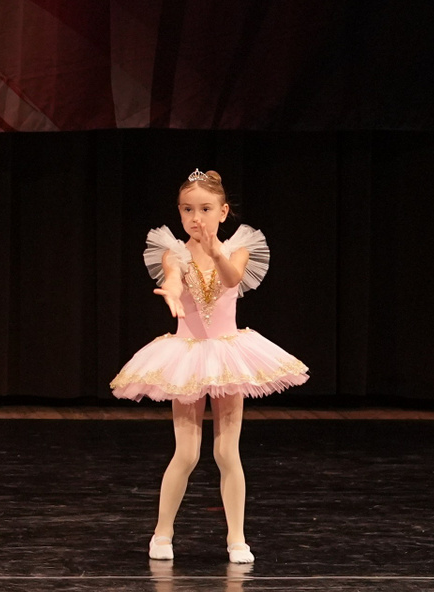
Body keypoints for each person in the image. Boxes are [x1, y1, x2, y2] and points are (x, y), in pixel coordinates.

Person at [111, 169, 308, 563]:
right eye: (187, 209)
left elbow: (232, 279)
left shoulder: (238, 249)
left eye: (204, 209)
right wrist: (171, 289)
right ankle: (162, 533)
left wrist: (215, 250)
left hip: (227, 356)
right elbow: (173, 276)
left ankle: (237, 538)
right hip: (186, 357)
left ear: (223, 212)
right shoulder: (174, 252)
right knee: (186, 453)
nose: (195, 217)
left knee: (227, 453)